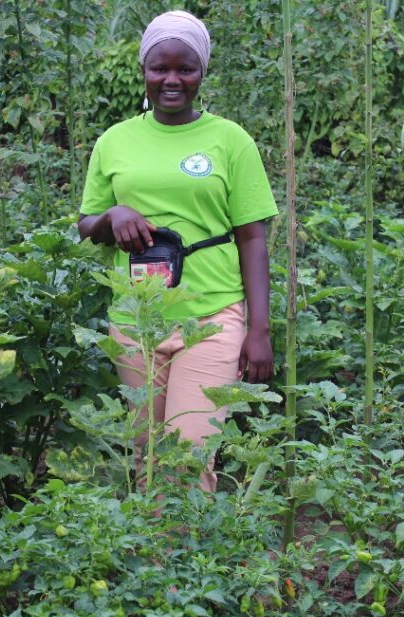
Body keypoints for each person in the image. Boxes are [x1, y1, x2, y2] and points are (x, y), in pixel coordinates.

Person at [77, 10, 278, 492]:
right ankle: (152, 561)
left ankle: (186, 561)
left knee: (187, 460)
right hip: (136, 321)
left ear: (202, 71)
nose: (171, 80)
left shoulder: (230, 141)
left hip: (210, 318)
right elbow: (87, 224)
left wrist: (260, 329)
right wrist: (113, 216)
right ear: (143, 71)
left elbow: (252, 237)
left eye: (185, 68)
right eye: (159, 68)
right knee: (146, 456)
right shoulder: (115, 140)